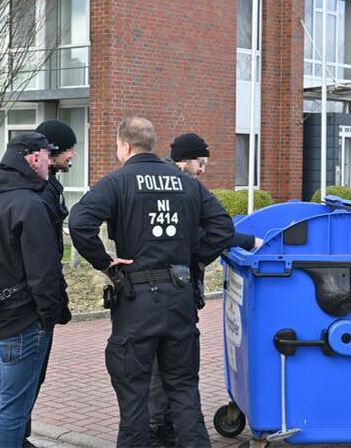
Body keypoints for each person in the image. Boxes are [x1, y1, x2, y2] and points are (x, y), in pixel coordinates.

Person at [69, 117, 234, 447]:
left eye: (117, 147)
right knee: (184, 389)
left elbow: (79, 223)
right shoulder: (186, 183)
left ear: (126, 146)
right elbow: (223, 229)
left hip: (136, 300)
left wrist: (106, 265)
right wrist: (193, 258)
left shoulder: (117, 182)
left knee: (134, 395)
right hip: (180, 299)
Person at [149, 132, 263, 446]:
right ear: (185, 160)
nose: (203, 170)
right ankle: (162, 428)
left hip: (150, 293)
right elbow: (212, 232)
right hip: (172, 292)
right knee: (173, 368)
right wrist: (245, 242)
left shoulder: (160, 183)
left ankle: (161, 426)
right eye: (200, 162)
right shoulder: (183, 189)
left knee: (162, 365)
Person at [0, 132, 71, 448]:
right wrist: (50, 317)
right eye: (46, 156)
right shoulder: (32, 206)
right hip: (21, 324)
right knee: (12, 410)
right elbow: (44, 275)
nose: (50, 163)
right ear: (33, 157)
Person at [18, 120, 78, 447]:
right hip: (32, 303)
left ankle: (16, 436)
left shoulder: (46, 186)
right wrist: (51, 307)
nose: (74, 154)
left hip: (34, 299)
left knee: (27, 379)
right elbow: (41, 258)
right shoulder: (38, 191)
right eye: (69, 148)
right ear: (50, 151)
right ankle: (16, 438)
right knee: (26, 378)